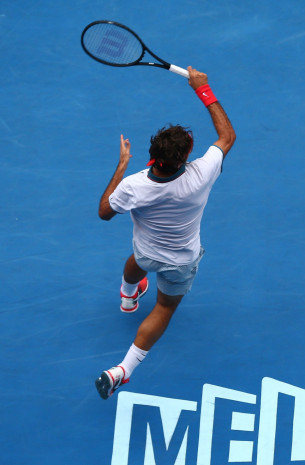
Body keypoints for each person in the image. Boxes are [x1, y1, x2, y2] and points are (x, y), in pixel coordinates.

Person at [94, 66, 235, 399]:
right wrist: (204, 88)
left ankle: (128, 295)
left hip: (146, 251)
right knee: (164, 308)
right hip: (180, 261)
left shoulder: (133, 186)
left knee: (137, 260)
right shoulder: (201, 173)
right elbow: (226, 136)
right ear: (186, 158)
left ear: (151, 156)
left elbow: (104, 213)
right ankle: (122, 371)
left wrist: (121, 167)